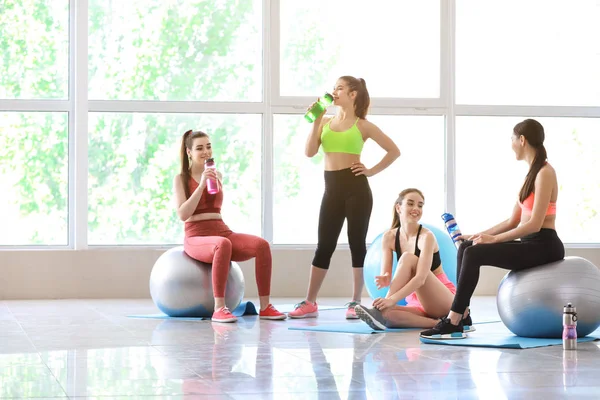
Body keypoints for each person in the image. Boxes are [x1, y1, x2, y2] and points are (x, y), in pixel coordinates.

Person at [420, 118, 565, 339]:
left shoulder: (545, 172)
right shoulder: (530, 175)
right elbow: (512, 221)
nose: (511, 143)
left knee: (474, 252)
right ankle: (463, 314)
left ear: (522, 140)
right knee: (467, 246)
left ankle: (454, 320)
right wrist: (480, 235)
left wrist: (494, 240)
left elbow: (534, 224)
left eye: (512, 139)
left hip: (544, 245)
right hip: (530, 243)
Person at [289, 76, 401, 319]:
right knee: (324, 246)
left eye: (340, 88)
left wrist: (370, 170)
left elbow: (394, 151)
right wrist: (316, 119)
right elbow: (309, 152)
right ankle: (310, 302)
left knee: (356, 244)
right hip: (331, 190)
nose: (334, 92)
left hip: (357, 190)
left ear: (353, 95)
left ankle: (355, 302)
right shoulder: (325, 121)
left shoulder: (363, 126)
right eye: (334, 88)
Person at [173, 130, 286, 323]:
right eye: (199, 148)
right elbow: (183, 214)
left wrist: (210, 181)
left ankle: (265, 307)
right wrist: (200, 186)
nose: (206, 151)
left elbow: (215, 208)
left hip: (220, 229)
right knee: (222, 244)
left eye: (208, 146)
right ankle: (219, 308)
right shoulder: (181, 178)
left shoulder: (218, 175)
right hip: (195, 236)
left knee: (262, 245)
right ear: (189, 152)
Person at [353, 189, 463, 331]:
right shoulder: (389, 237)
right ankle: (442, 324)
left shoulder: (426, 237)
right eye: (410, 204)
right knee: (388, 316)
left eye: (420, 205)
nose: (416, 209)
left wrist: (391, 300)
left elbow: (420, 279)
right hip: (417, 302)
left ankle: (380, 311)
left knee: (408, 258)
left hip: (443, 299)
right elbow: (386, 273)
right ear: (398, 207)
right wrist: (385, 278)